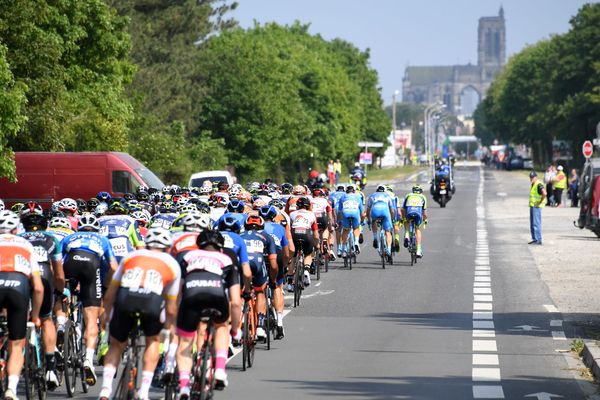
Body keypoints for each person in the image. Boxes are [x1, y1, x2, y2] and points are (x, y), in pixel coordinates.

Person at [98, 228, 181, 400]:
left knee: (116, 344)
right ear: (167, 248)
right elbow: (171, 305)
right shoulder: (172, 264)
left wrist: (106, 314)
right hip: (151, 301)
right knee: (153, 341)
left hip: (125, 298)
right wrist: (169, 326)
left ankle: (105, 390)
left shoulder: (130, 257)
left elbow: (111, 291)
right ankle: (143, 392)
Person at [176, 230, 242, 396]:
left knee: (185, 342)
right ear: (220, 247)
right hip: (216, 297)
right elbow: (235, 302)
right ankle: (220, 370)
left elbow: (177, 292)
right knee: (221, 327)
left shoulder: (188, 256)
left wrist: (175, 315)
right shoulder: (226, 259)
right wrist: (235, 330)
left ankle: (184, 386)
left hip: (191, 296)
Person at [61, 214, 118, 385]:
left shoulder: (69, 237)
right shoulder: (103, 239)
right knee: (92, 318)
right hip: (92, 267)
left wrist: (60, 288)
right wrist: (107, 287)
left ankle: (61, 326)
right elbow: (114, 267)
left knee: (61, 299)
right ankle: (88, 359)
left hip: (70, 263)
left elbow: (57, 264)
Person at [19, 203, 65, 390]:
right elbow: (59, 275)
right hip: (45, 275)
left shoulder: (18, 239)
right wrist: (60, 291)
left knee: (18, 318)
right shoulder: (51, 238)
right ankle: (51, 369)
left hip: (22, 278)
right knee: (46, 320)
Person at [0, 210, 44, 400]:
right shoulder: (25, 244)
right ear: (17, 229)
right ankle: (11, 388)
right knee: (16, 344)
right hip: (19, 287)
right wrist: (35, 315)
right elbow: (39, 288)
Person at [366, 185, 396, 261]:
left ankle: (375, 237)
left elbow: (368, 210)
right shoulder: (387, 195)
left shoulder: (372, 195)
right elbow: (392, 210)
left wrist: (369, 219)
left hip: (375, 211)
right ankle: (388, 249)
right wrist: (392, 219)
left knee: (373, 221)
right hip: (385, 212)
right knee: (388, 232)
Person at [337, 184, 365, 257]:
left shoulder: (343, 197)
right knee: (356, 228)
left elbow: (339, 211)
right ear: (354, 191)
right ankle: (356, 242)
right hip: (355, 213)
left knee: (345, 230)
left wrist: (338, 220)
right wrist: (362, 221)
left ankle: (343, 250)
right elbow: (362, 213)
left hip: (345, 212)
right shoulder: (358, 197)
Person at [401, 185, 428, 258]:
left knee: (406, 221)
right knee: (417, 229)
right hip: (418, 214)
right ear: (420, 191)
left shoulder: (408, 195)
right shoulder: (423, 197)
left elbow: (403, 209)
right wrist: (425, 220)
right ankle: (418, 250)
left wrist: (403, 219)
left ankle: (406, 235)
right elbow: (424, 213)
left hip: (409, 212)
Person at [528, 171, 546, 245]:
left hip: (536, 206)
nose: (531, 179)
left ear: (536, 177)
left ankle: (538, 239)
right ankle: (535, 239)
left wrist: (540, 202)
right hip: (533, 206)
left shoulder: (539, 184)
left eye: (533, 177)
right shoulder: (534, 184)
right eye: (530, 177)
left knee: (536, 223)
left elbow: (544, 193)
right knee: (532, 223)